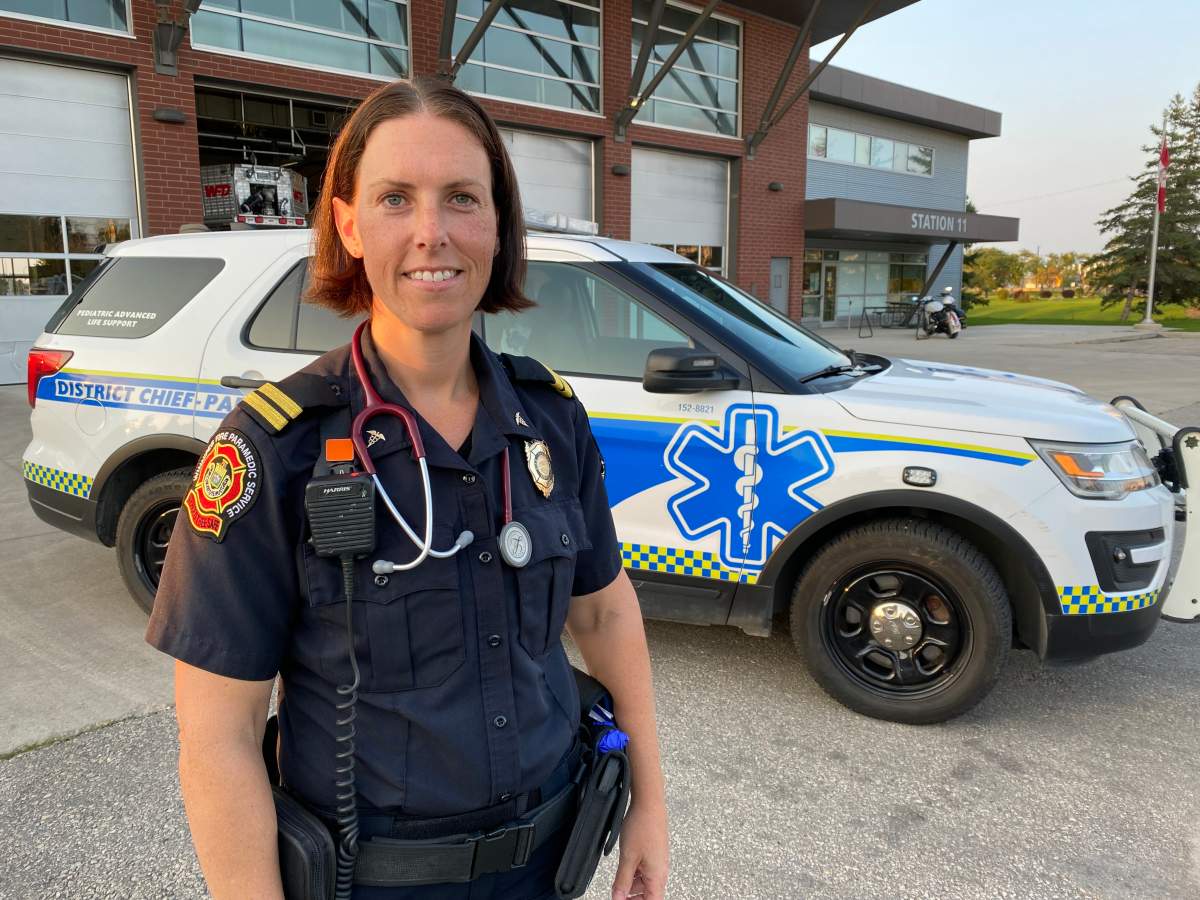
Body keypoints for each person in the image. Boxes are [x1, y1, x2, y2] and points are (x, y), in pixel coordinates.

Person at [146, 77, 669, 900]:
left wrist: (649, 802)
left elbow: (603, 612)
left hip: (551, 865)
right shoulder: (272, 447)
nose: (433, 233)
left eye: (462, 198)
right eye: (396, 199)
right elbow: (220, 734)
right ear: (349, 224)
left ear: (498, 224)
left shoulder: (549, 419)